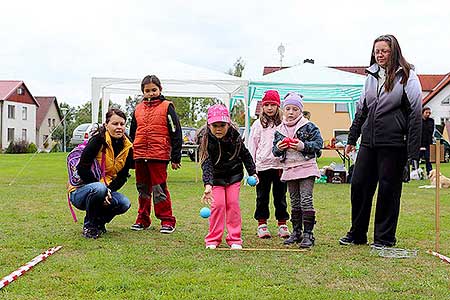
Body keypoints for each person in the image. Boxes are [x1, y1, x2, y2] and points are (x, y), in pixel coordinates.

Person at [339, 34, 422, 248]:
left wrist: (412, 153)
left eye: (384, 50)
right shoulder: (371, 75)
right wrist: (352, 137)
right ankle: (357, 233)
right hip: (369, 141)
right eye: (377, 51)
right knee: (359, 185)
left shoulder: (407, 76)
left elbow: (415, 113)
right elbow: (362, 109)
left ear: (393, 51)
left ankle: (384, 238)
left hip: (394, 142)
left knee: (388, 189)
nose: (380, 54)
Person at [68, 108, 133, 239]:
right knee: (99, 188)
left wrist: (108, 191)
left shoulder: (128, 146)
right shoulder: (98, 140)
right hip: (80, 190)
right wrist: (102, 190)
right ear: (106, 125)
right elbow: (82, 168)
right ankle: (89, 226)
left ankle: (98, 223)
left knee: (124, 203)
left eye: (122, 124)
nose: (119, 127)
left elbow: (123, 176)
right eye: (115, 124)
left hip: (105, 188)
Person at [129, 75, 182, 234]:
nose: (151, 93)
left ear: (160, 89)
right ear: (142, 92)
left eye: (154, 90)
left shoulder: (167, 107)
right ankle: (143, 219)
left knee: (159, 189)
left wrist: (176, 157)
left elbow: (175, 132)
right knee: (142, 188)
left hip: (158, 155)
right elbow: (133, 132)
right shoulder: (137, 109)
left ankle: (167, 220)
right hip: (140, 154)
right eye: (147, 91)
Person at [199, 104, 257, 250]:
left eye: (222, 125)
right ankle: (213, 239)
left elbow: (245, 155)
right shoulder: (206, 141)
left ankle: (234, 239)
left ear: (228, 124)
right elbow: (207, 165)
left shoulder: (235, 138)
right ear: (209, 125)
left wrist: (252, 172)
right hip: (216, 180)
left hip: (233, 176)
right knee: (218, 206)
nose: (218, 128)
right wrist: (208, 185)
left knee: (232, 205)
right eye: (215, 125)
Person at [273, 92, 323, 248]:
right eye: (288, 108)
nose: (291, 112)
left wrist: (303, 146)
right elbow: (275, 151)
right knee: (294, 201)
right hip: (290, 168)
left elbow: (318, 144)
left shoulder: (309, 126)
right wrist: (279, 147)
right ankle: (296, 232)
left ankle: (309, 234)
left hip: (307, 167)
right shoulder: (279, 130)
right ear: (283, 110)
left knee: (306, 199)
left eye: (295, 109)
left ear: (300, 111)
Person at [248, 90, 290, 239]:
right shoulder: (257, 124)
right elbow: (252, 145)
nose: (270, 108)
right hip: (262, 167)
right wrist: (251, 168)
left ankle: (282, 224)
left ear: (278, 106)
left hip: (280, 166)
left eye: (273, 104)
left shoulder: (284, 123)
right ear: (262, 107)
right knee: (262, 197)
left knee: (280, 197)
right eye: (267, 105)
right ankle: (262, 224)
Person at [419, 107, 434, 176]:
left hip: (428, 144)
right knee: (416, 159)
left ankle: (430, 173)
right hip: (419, 144)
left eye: (429, 113)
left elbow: (431, 131)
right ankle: (416, 173)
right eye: (426, 113)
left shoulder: (431, 121)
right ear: (422, 113)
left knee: (428, 159)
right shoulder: (418, 121)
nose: (428, 114)